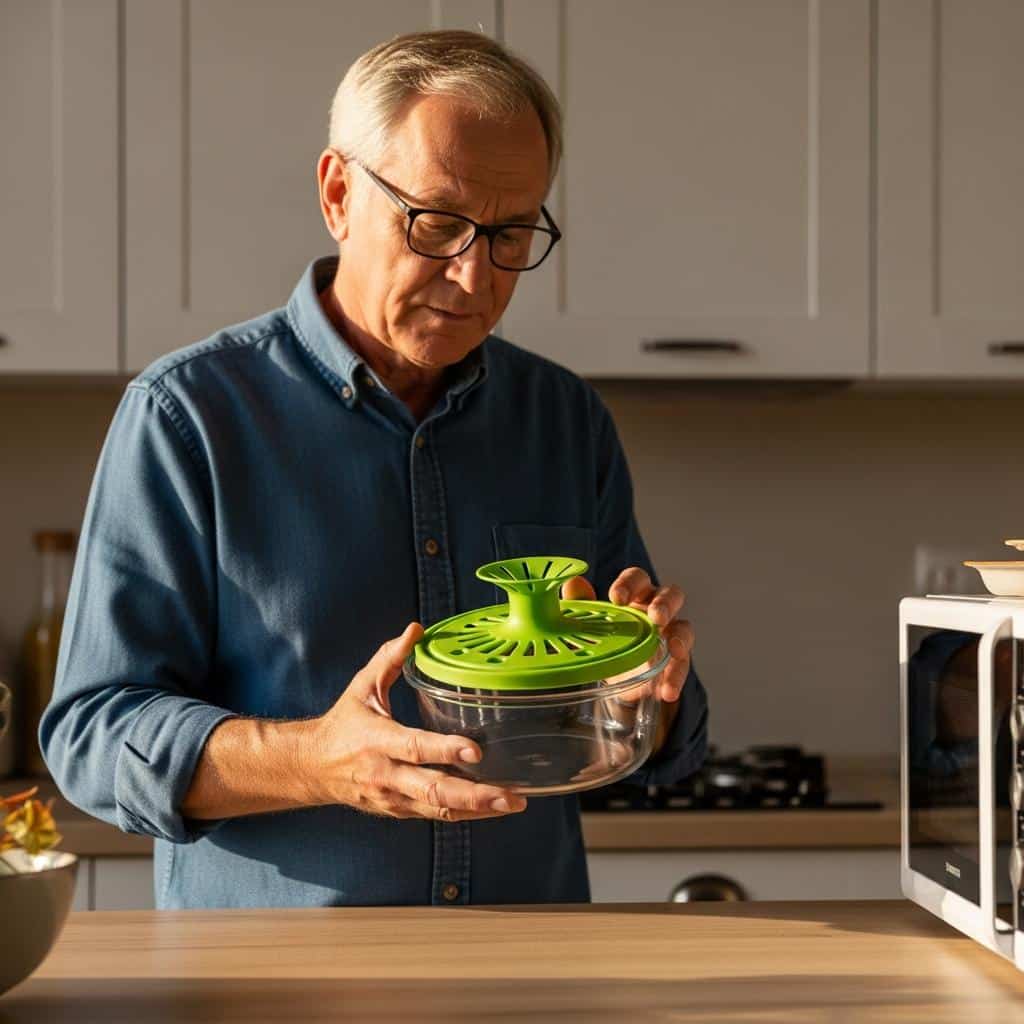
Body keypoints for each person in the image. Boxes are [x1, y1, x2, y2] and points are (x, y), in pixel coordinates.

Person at [41, 30, 707, 909]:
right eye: (437, 223)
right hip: (274, 988)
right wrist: (317, 762)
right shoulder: (187, 415)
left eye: (512, 234)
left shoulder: (565, 419)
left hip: (530, 971)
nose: (475, 278)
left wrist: (646, 692)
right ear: (339, 193)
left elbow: (646, 738)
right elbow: (93, 736)